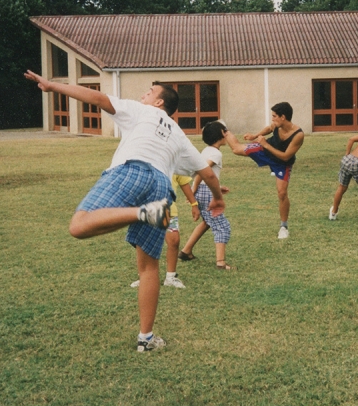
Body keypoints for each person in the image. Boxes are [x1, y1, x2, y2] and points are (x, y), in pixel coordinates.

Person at [24, 70, 225, 352]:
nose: (143, 95)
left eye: (149, 93)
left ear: (158, 103)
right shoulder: (179, 135)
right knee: (148, 267)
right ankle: (146, 339)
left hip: (133, 170)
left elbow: (95, 97)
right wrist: (216, 199)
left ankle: (143, 213)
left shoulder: (141, 111)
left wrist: (51, 86)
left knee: (78, 226)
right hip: (161, 188)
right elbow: (209, 174)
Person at [224, 102, 304, 239]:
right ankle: (223, 129)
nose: (272, 119)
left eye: (274, 116)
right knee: (236, 149)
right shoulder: (277, 125)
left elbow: (285, 157)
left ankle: (283, 227)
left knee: (282, 193)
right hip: (265, 151)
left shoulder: (298, 135)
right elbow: (269, 128)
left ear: (283, 117)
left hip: (281, 163)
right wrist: (255, 136)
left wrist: (265, 144)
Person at [179, 121, 234, 269]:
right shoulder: (216, 153)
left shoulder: (205, 150)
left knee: (207, 222)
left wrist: (213, 187)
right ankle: (221, 262)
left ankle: (186, 251)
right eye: (226, 131)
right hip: (207, 192)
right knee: (222, 227)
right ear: (222, 134)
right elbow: (203, 170)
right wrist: (197, 188)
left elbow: (204, 174)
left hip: (204, 190)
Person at [130, 174, 200, 289]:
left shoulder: (174, 162)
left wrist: (194, 204)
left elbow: (184, 183)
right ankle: (144, 277)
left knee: (174, 241)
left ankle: (170, 277)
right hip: (148, 209)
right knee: (144, 243)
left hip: (169, 211)